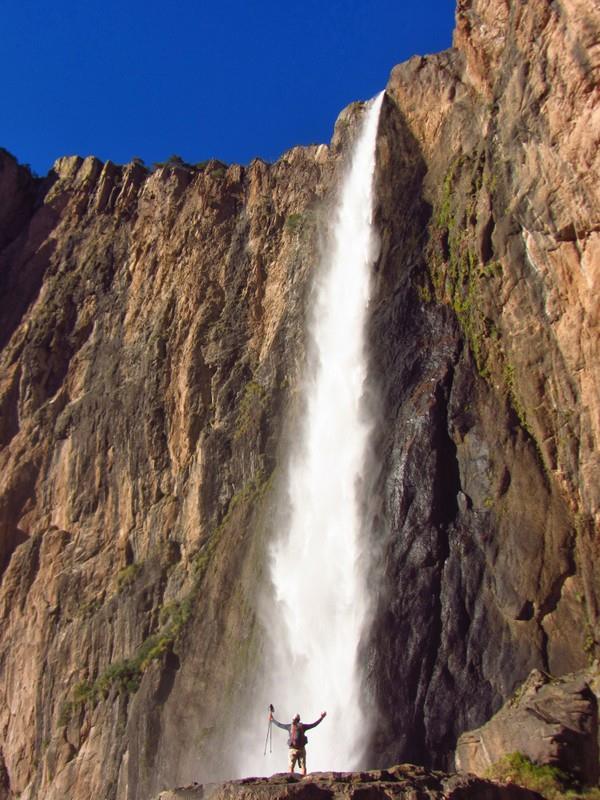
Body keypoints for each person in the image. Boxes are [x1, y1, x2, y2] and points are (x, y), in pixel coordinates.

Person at [268, 709, 327, 775]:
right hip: (301, 749)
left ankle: (290, 778)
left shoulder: (289, 726)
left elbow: (279, 725)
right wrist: (321, 718)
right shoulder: (303, 726)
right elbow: (313, 724)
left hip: (292, 749)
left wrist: (272, 719)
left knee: (291, 767)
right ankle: (304, 780)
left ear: (293, 719)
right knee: (303, 767)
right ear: (299, 720)